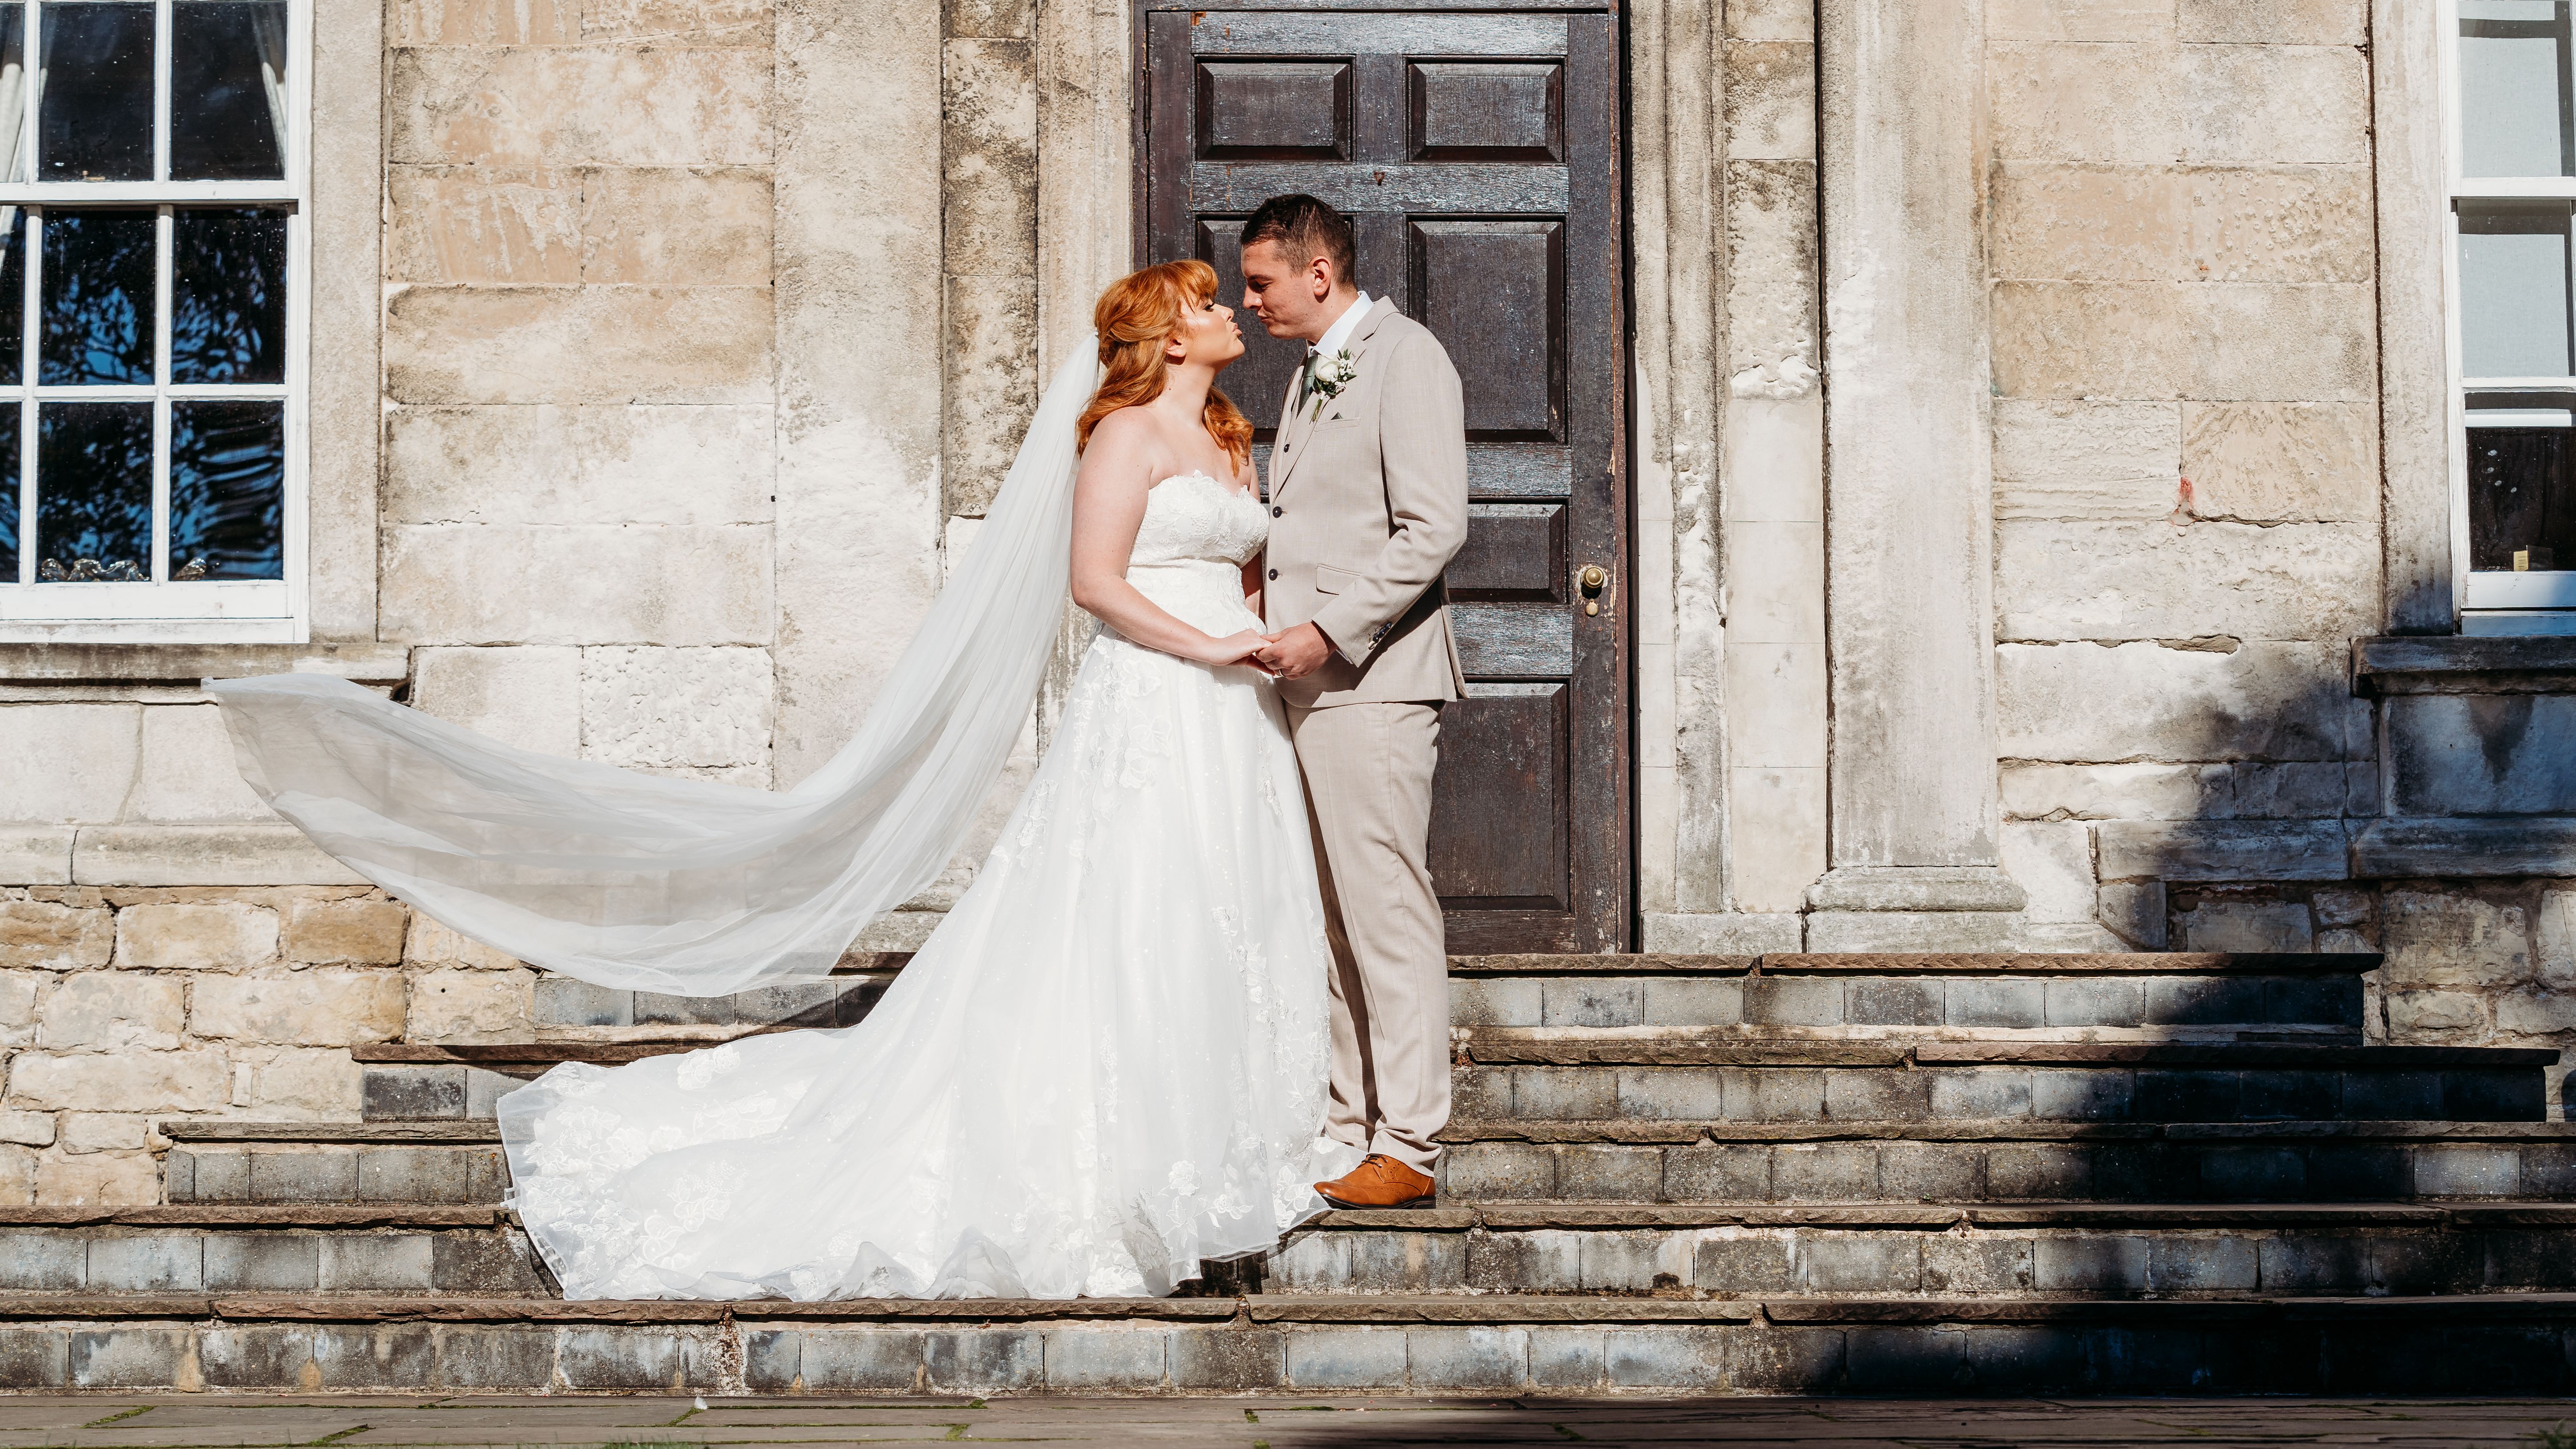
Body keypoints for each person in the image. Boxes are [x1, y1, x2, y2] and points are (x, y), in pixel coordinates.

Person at [212, 259, 1360, 1299]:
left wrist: (1261, 650)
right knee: (1132, 911)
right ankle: (1125, 1161)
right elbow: (1095, 583)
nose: (1227, 316)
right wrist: (1208, 647)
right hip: (1158, 698)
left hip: (1235, 710)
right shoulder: (1120, 442)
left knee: (1226, 907)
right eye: (1207, 304)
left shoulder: (1226, 435)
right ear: (1165, 334)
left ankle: (1228, 1143)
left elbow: (1244, 574)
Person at [1240, 195, 1470, 1212]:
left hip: (1371, 683)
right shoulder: (1306, 375)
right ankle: (1349, 1123)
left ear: (1318, 273)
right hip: (1303, 685)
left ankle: (1411, 1141)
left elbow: (1433, 527)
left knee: (1385, 912)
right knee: (1331, 917)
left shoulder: (1404, 355)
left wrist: (1326, 630)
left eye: (1262, 283)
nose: (1249, 304)